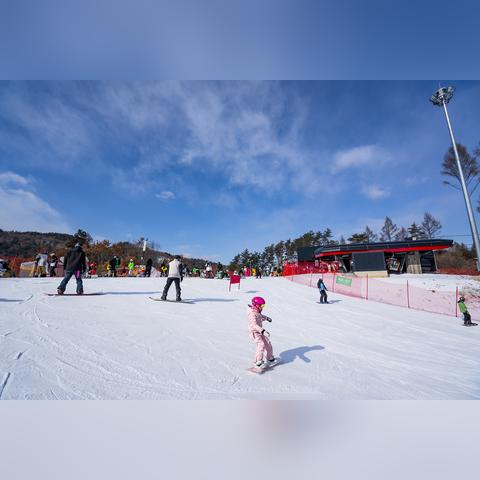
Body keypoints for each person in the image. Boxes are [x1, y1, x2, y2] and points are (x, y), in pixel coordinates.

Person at [248, 296, 276, 369]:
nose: (263, 307)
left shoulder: (257, 312)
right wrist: (263, 331)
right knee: (261, 344)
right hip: (254, 332)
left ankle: (269, 357)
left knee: (268, 343)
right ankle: (258, 361)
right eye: (262, 306)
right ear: (257, 305)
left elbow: (260, 316)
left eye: (264, 305)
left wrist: (266, 318)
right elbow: (254, 325)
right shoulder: (252, 314)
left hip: (260, 331)